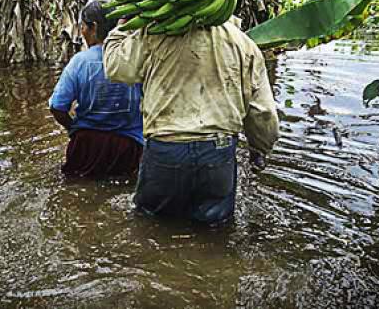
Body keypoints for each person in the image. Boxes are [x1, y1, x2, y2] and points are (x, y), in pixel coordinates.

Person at [103, 16, 279, 225]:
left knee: (151, 225)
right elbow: (263, 112)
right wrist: (259, 149)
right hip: (218, 152)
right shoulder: (242, 44)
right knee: (215, 232)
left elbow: (116, 68)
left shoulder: (154, 33)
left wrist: (124, 26)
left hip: (166, 148)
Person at [48, 0, 144, 178]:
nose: (82, 32)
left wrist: (73, 129)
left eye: (83, 26)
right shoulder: (135, 58)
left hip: (86, 145)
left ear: (94, 27)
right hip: (128, 146)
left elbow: (57, 107)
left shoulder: (80, 62)